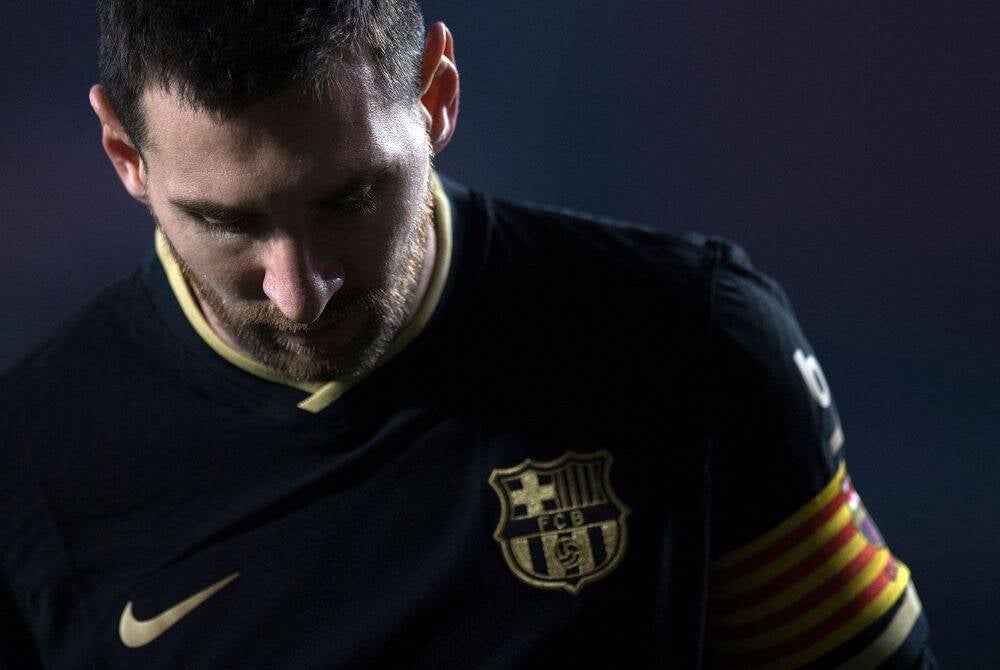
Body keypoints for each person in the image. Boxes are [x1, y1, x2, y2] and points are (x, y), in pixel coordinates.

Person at [0, 1, 936, 667]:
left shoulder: (694, 341)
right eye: (230, 224)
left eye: (350, 200)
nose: (299, 294)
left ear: (436, 97)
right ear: (126, 156)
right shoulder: (30, 478)